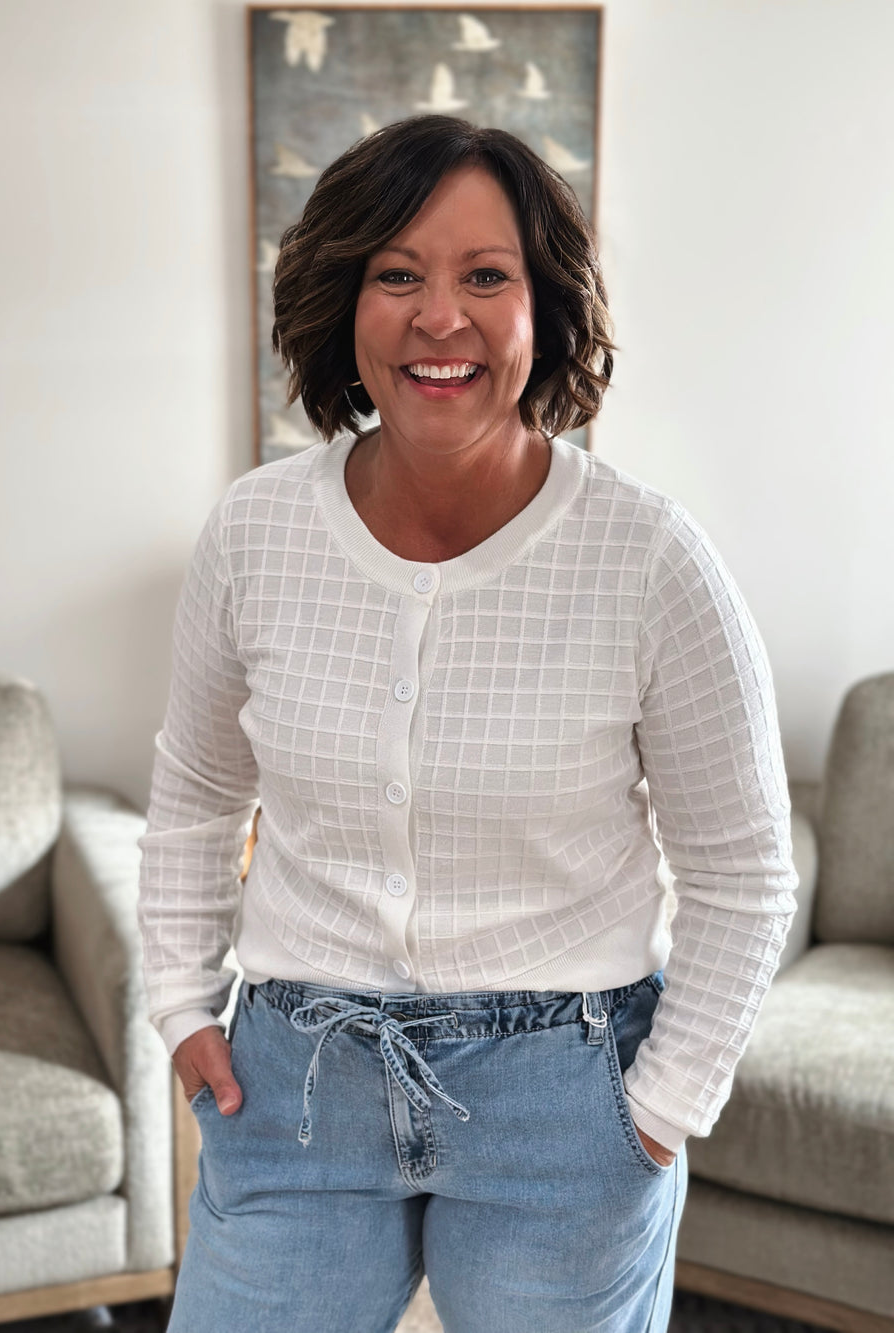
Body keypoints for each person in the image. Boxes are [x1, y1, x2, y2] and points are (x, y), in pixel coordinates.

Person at [138, 115, 797, 1333]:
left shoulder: (652, 560)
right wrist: (180, 1003)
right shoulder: (254, 532)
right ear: (344, 301)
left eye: (484, 277)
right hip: (295, 1082)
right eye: (397, 275)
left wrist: (662, 1106)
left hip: (566, 1101)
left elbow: (745, 871)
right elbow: (194, 790)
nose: (439, 318)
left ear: (546, 307)